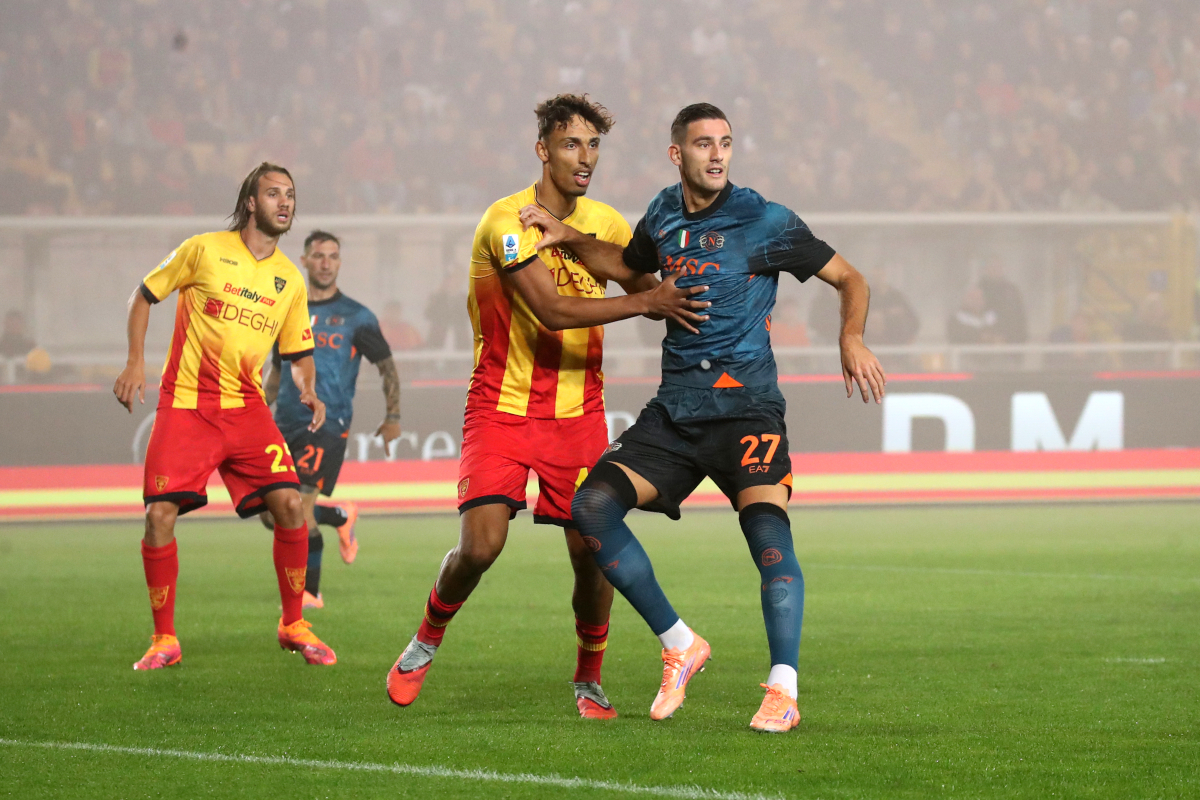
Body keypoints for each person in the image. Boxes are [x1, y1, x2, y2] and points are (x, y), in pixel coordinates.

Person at [523, 103, 885, 733]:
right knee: (591, 510)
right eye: (702, 144)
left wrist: (851, 336)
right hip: (678, 413)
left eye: (725, 143)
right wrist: (569, 236)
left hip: (747, 410)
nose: (717, 155)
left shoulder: (764, 219)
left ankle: (783, 689)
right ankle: (680, 643)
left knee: (769, 539)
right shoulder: (663, 212)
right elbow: (626, 267)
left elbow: (849, 277)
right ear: (677, 155)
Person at [385, 94, 709, 720]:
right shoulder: (505, 222)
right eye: (570, 145)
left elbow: (648, 285)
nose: (584, 158)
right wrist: (645, 301)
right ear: (542, 149)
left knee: (593, 552)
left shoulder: (608, 225)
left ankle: (588, 678)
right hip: (500, 408)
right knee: (480, 547)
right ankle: (425, 639)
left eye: (593, 146)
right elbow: (556, 313)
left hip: (578, 414)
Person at [112, 162, 337, 671]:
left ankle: (292, 623)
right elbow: (143, 296)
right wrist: (133, 362)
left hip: (246, 409)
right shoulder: (205, 250)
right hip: (187, 404)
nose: (285, 202)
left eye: (291, 195)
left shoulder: (288, 279)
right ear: (251, 202)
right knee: (158, 516)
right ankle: (164, 638)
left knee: (290, 505)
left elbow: (299, 352)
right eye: (274, 193)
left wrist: (309, 390)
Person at [260, 229, 402, 608]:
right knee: (269, 513)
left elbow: (387, 366)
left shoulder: (357, 317)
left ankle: (309, 594)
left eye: (332, 256)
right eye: (318, 256)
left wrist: (393, 416)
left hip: (328, 423)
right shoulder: (288, 310)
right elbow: (277, 369)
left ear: (339, 262)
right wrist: (257, 409)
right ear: (304, 261)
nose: (326, 262)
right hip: (283, 421)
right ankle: (340, 514)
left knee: (300, 509)